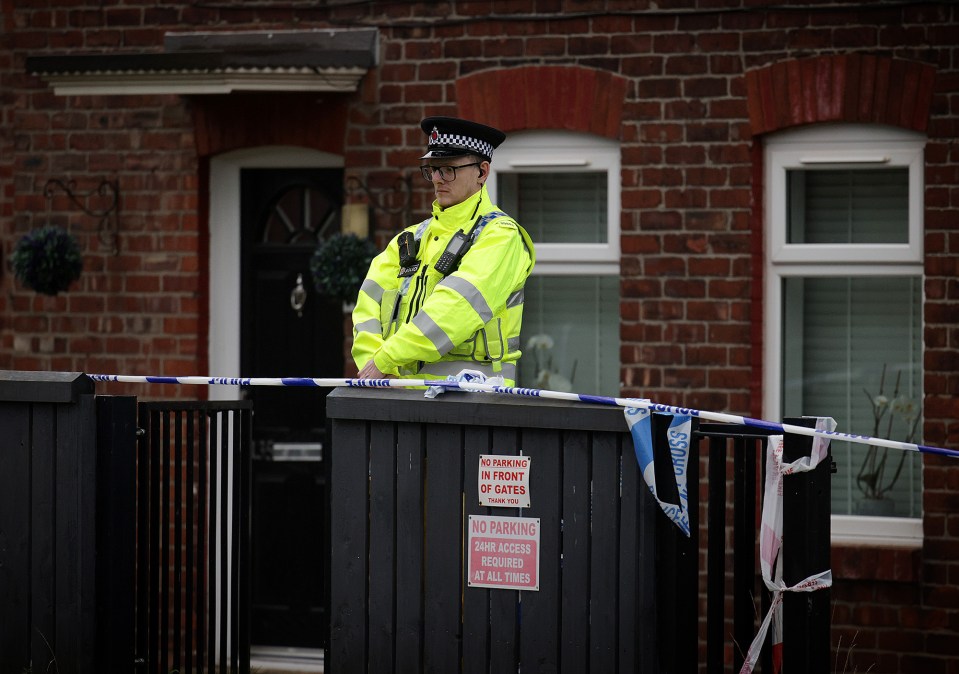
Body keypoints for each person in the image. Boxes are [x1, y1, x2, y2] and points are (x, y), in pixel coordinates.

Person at [351, 116, 535, 385]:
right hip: (398, 398)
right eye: (432, 169)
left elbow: (455, 310)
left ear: (482, 172)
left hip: (472, 404)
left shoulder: (500, 236)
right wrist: (376, 367)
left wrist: (385, 360)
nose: (437, 179)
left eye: (448, 169)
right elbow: (367, 308)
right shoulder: (409, 238)